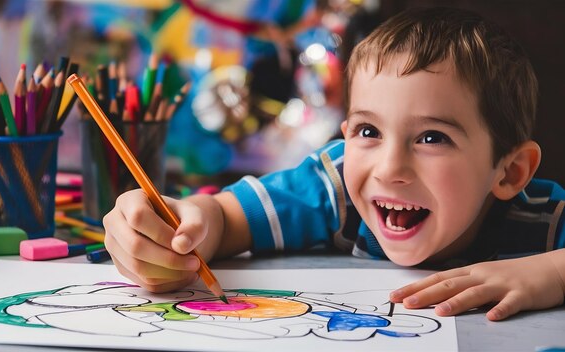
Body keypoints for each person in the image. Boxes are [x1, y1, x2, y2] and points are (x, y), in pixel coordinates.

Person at [103, 7, 565, 321]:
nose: (388, 168)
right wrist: (178, 225)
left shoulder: (542, 219)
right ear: (345, 135)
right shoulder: (335, 187)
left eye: (431, 137)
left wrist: (549, 273)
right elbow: (224, 218)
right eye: (368, 132)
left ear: (509, 172)